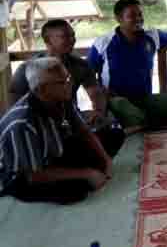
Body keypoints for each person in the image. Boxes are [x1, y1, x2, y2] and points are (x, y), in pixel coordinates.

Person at [0, 58, 117, 204]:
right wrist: (87, 173)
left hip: (52, 153)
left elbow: (84, 132)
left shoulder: (62, 99)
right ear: (41, 89)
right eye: (62, 82)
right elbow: (33, 175)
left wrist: (105, 160)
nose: (69, 84)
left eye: (68, 78)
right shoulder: (22, 123)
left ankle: (84, 171)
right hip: (22, 175)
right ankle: (83, 174)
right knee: (75, 192)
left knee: (113, 135)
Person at [87, 0, 167, 133]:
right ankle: (145, 123)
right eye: (132, 15)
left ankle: (142, 123)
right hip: (117, 101)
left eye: (140, 14)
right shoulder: (104, 42)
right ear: (119, 18)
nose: (138, 19)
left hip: (145, 100)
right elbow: (88, 73)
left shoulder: (152, 37)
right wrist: (101, 92)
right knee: (125, 108)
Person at [9, 19, 125, 153]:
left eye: (73, 35)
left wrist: (98, 111)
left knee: (114, 134)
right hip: (41, 125)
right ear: (48, 41)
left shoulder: (80, 65)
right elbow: (14, 100)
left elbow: (95, 92)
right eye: (65, 36)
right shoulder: (28, 68)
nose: (72, 40)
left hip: (71, 119)